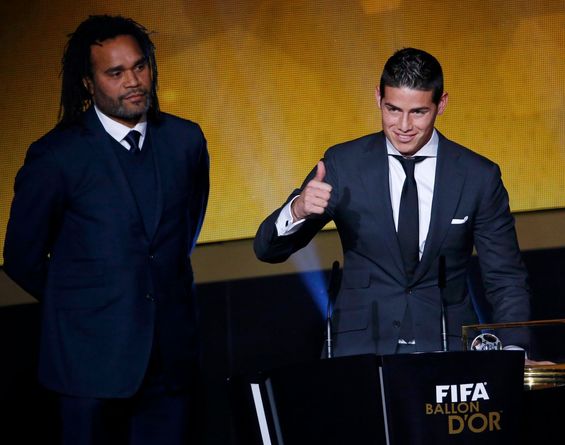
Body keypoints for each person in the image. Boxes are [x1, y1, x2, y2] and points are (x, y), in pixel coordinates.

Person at [3, 15, 209, 445]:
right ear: (87, 82)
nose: (133, 81)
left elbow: (184, 229)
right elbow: (22, 258)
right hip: (87, 366)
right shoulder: (57, 156)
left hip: (170, 360)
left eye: (139, 66)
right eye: (115, 73)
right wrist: (85, 301)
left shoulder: (185, 141)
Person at [254, 48, 529, 357]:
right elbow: (267, 250)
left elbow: (505, 277)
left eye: (418, 112)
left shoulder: (478, 176)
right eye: (393, 109)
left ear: (441, 104)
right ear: (378, 98)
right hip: (360, 352)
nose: (404, 125)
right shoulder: (344, 164)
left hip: (447, 350)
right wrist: (298, 209)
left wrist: (514, 351)